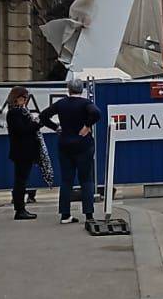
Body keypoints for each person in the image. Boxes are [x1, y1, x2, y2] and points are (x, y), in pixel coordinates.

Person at [39, 77, 101, 227]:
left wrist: (56, 128)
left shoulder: (61, 104)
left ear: (68, 89)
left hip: (65, 144)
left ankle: (65, 214)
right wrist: (87, 126)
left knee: (66, 180)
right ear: (81, 89)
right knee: (86, 179)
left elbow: (43, 116)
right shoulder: (86, 103)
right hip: (83, 146)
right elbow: (96, 113)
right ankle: (89, 214)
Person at [5, 87, 47, 220]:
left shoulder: (21, 112)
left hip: (24, 150)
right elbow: (22, 130)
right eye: (24, 97)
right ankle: (20, 209)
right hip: (22, 151)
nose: (26, 100)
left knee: (22, 180)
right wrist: (37, 124)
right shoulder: (15, 113)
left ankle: (21, 208)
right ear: (17, 98)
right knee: (20, 181)